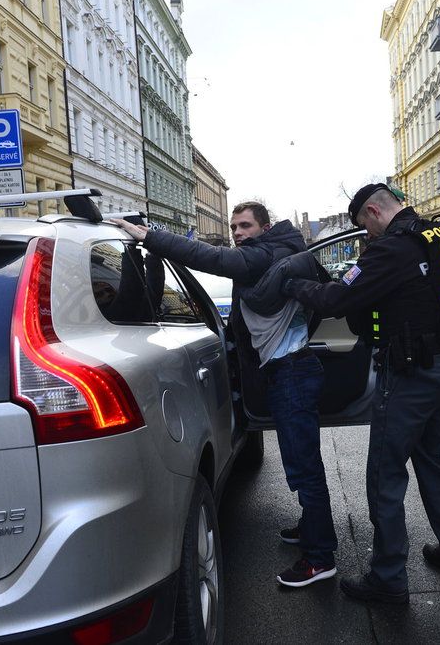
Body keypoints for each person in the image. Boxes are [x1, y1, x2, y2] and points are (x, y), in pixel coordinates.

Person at [111, 203, 338, 588]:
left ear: (264, 227)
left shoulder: (264, 254)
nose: (238, 231)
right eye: (234, 226)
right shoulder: (277, 252)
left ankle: (320, 558)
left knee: (304, 468)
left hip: (293, 374)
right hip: (290, 371)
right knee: (301, 464)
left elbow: (209, 257)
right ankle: (311, 528)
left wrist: (150, 237)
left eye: (245, 225)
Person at [282, 183, 440, 605]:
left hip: (408, 375)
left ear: (373, 211)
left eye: (363, 226)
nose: (366, 235)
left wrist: (296, 285)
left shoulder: (391, 249)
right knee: (432, 461)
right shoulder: (435, 235)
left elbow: (338, 298)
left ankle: (388, 577)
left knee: (385, 474)